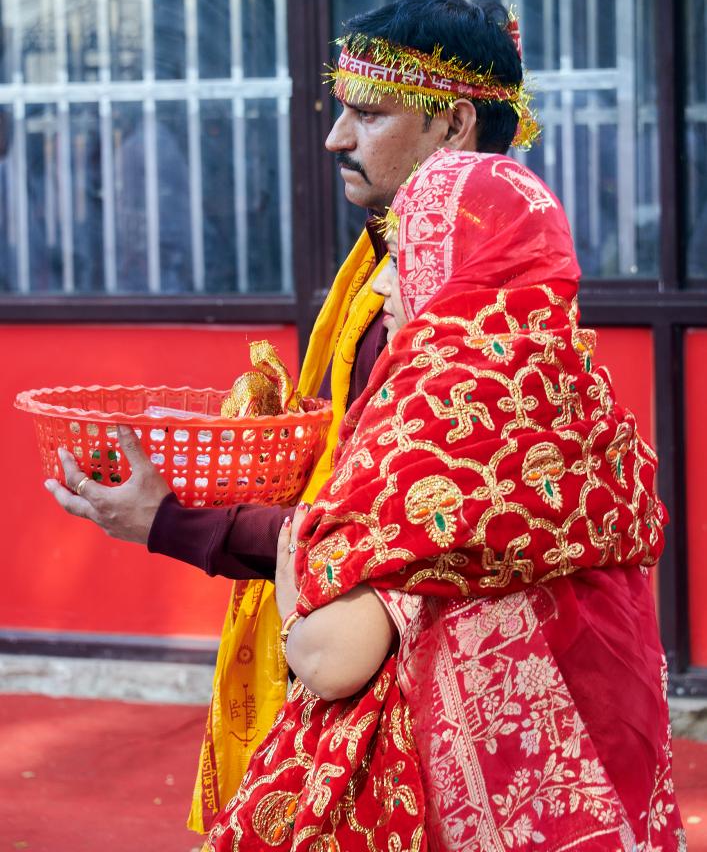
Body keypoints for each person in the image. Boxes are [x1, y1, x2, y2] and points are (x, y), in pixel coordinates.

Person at [43, 0, 541, 826]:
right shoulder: (388, 257)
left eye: (368, 115)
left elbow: (376, 540)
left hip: (430, 690)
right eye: (340, 110)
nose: (334, 138)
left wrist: (171, 520)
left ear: (452, 125)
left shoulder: (461, 301)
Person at [204, 148, 683, 851]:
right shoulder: (584, 395)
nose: (386, 288)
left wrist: (292, 564)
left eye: (406, 256)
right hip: (600, 789)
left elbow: (332, 663)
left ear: (457, 269)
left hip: (468, 805)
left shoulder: (430, 429)